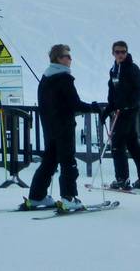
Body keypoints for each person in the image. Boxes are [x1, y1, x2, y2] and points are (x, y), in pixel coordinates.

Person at [22, 44, 99, 211]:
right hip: (64, 126)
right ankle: (69, 197)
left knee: (49, 161)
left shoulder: (46, 77)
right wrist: (92, 108)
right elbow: (74, 103)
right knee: (68, 162)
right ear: (58, 58)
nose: (70, 59)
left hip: (49, 127)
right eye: (67, 56)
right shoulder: (64, 78)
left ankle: (36, 196)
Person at [101, 40, 140, 191]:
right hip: (119, 111)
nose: (120, 55)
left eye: (123, 52)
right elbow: (113, 93)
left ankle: (122, 179)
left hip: (129, 111)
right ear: (113, 53)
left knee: (117, 143)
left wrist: (129, 103)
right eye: (117, 52)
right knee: (132, 144)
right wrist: (108, 109)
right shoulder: (114, 70)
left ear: (127, 52)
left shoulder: (131, 68)